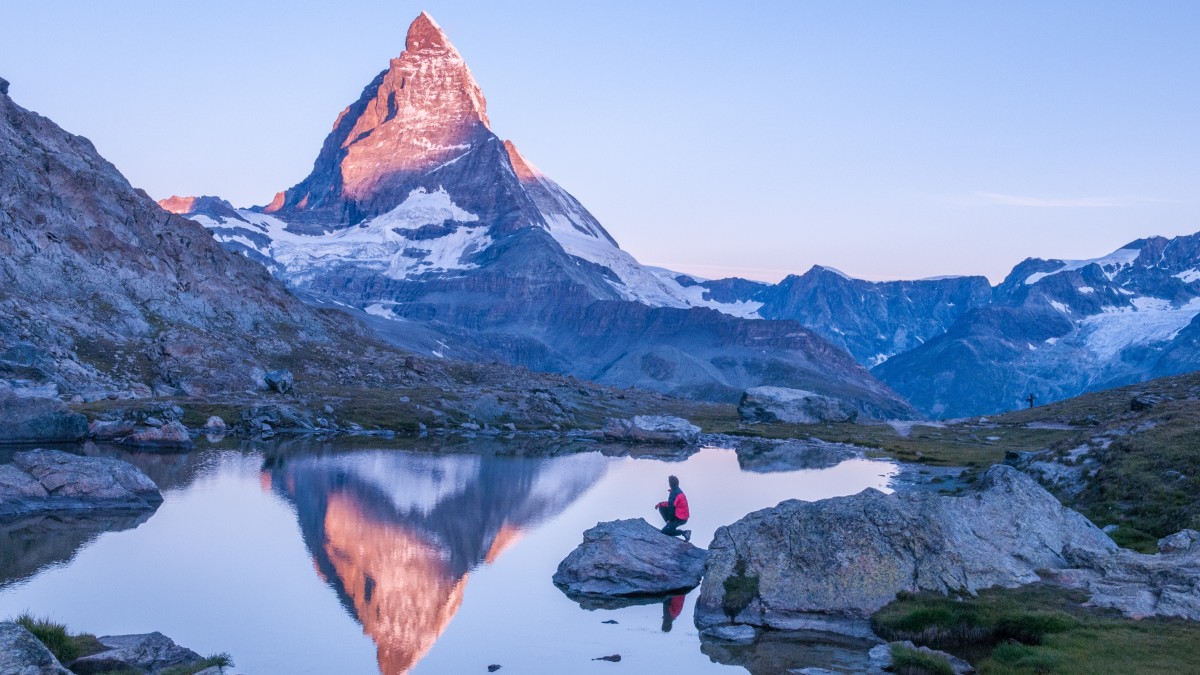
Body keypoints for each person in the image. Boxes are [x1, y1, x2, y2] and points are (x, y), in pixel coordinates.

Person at [655, 475, 691, 542]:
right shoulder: (678, 491)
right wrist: (660, 504)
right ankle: (670, 526)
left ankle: (684, 533)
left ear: (670, 483)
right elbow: (671, 503)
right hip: (680, 516)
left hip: (680, 519)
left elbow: (671, 508)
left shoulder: (674, 493)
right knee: (661, 507)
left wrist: (669, 519)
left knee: (664, 532)